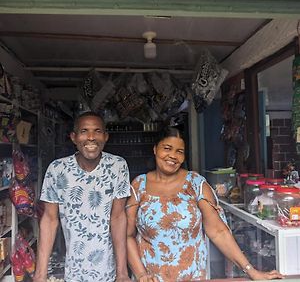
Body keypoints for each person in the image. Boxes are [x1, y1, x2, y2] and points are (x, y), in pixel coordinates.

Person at [126, 126, 283, 281]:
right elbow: (128, 236)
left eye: (179, 151)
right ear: (155, 149)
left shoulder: (196, 184)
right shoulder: (139, 186)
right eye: (167, 148)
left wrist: (251, 271)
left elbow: (218, 232)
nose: (173, 156)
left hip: (192, 277)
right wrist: (141, 275)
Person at [33, 111, 131, 282]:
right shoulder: (57, 169)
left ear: (106, 136)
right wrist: (40, 275)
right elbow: (49, 220)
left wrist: (122, 273)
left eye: (97, 131)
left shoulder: (117, 166)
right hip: (72, 270)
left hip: (109, 270)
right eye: (84, 131)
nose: (91, 137)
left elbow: (118, 217)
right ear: (73, 137)